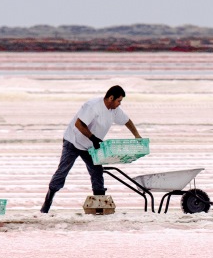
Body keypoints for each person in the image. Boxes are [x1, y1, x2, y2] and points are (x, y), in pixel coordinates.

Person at [41, 85, 143, 213]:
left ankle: (99, 208)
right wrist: (94, 138)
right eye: (119, 100)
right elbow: (79, 124)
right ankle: (47, 202)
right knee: (62, 172)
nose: (119, 104)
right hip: (73, 142)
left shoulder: (114, 110)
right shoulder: (93, 106)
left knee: (97, 173)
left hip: (90, 146)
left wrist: (136, 135)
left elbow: (127, 121)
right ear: (111, 98)